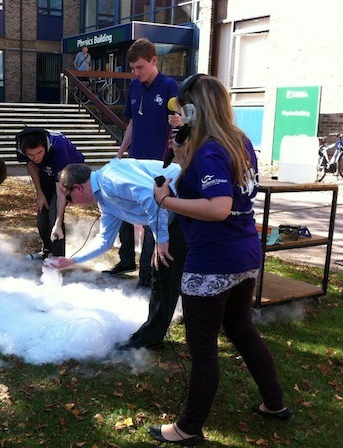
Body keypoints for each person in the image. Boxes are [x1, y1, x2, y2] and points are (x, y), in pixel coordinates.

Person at [148, 75, 291, 446]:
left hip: (214, 260)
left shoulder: (211, 148)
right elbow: (214, 193)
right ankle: (274, 403)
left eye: (183, 108)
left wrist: (165, 200)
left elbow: (218, 207)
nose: (179, 115)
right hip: (244, 254)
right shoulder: (237, 140)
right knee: (242, 329)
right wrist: (181, 160)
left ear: (196, 108)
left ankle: (187, 428)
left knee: (203, 350)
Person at [43, 159, 186, 351]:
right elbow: (105, 239)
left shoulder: (111, 178)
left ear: (77, 188)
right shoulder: (105, 198)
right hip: (175, 213)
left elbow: (153, 198)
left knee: (162, 273)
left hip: (185, 199)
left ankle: (150, 339)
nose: (72, 204)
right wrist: (72, 260)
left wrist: (161, 240)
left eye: (69, 199)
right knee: (179, 271)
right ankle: (192, 316)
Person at [105, 38, 181, 289]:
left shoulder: (170, 86)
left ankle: (147, 275)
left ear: (153, 61)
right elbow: (132, 123)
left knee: (152, 215)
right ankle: (126, 259)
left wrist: (177, 123)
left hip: (158, 166)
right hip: (133, 162)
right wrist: (120, 152)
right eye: (133, 69)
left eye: (140, 68)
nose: (136, 73)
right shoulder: (135, 87)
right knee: (122, 206)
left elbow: (180, 121)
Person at [16, 128, 84, 260]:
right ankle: (46, 250)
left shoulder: (59, 148)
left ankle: (58, 258)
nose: (36, 158)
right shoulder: (21, 144)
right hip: (46, 173)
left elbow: (60, 192)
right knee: (42, 213)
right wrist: (39, 194)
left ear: (46, 146)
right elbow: (31, 165)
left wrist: (58, 221)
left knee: (54, 215)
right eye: (31, 154)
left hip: (69, 171)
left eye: (39, 152)